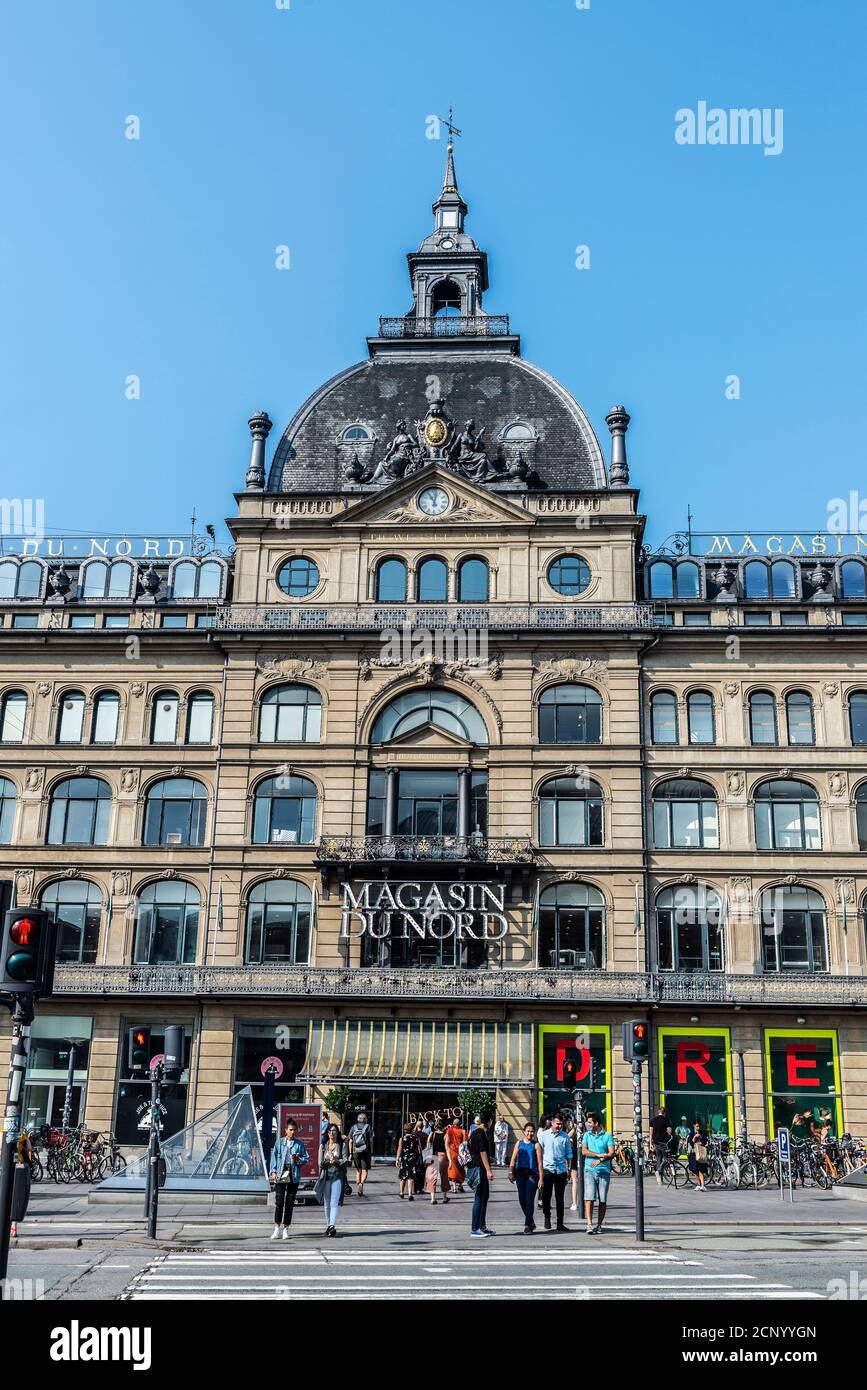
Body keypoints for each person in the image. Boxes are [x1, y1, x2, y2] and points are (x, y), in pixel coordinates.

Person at [269, 1117, 310, 1240]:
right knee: (279, 1201)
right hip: (282, 1171)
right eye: (290, 1130)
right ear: (285, 1130)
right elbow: (274, 1157)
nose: (293, 1132)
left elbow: (306, 1158)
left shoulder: (299, 1144)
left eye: (294, 1130)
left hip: (294, 1173)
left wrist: (298, 1159)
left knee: (290, 1202)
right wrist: (273, 1171)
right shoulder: (279, 1142)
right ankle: (277, 1228)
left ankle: (286, 1228)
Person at [537, 1113, 572, 1232]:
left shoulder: (565, 1136)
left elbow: (569, 1154)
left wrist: (568, 1169)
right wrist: (540, 1172)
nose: (559, 1126)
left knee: (560, 1198)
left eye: (561, 1124)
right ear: (552, 1122)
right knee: (546, 1196)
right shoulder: (544, 1135)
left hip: (561, 1170)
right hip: (548, 1170)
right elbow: (539, 1153)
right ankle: (547, 1218)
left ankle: (560, 1223)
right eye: (557, 1124)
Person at [582, 1110, 615, 1235]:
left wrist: (601, 1160)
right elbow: (584, 1151)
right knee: (589, 1198)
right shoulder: (587, 1135)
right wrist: (597, 1155)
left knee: (602, 1199)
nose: (588, 1124)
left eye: (590, 1122)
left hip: (604, 1171)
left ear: (596, 1123)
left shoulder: (607, 1136)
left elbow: (612, 1152)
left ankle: (599, 1224)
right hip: (589, 1170)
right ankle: (589, 1224)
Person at [509, 1122, 543, 1234]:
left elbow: (539, 1163)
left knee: (529, 1200)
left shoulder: (536, 1145)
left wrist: (541, 1178)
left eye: (532, 1131)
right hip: (520, 1174)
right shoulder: (519, 1143)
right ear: (524, 1132)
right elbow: (513, 1159)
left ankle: (528, 1225)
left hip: (532, 1174)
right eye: (528, 1131)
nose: (530, 1133)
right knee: (522, 1200)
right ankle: (531, 1222)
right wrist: (511, 1172)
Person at [317, 1123, 349, 1236]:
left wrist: (335, 1160)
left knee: (334, 1203)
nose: (332, 1133)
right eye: (330, 1131)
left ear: (337, 1132)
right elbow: (319, 1163)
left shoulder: (341, 1145)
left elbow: (345, 1160)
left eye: (334, 1131)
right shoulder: (323, 1146)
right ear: (327, 1133)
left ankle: (332, 1225)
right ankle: (328, 1226)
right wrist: (327, 1161)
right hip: (325, 1176)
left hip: (337, 1176)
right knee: (326, 1203)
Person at [467, 1114, 494, 1237]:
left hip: (477, 1167)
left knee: (484, 1196)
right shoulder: (480, 1133)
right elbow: (482, 1152)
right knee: (479, 1197)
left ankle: (482, 1227)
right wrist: (488, 1170)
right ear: (489, 1121)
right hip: (479, 1168)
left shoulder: (475, 1132)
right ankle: (475, 1228)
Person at [348, 1110, 373, 1197]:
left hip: (355, 1151)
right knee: (364, 1170)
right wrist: (371, 1150)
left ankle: (358, 1184)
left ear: (358, 1119)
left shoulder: (353, 1127)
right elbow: (370, 1140)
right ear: (365, 1119)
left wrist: (350, 1153)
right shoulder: (368, 1127)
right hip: (365, 1151)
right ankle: (361, 1184)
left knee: (358, 1170)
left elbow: (350, 1141)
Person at [424, 1122, 450, 1204]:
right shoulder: (446, 1135)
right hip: (442, 1156)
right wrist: (450, 1160)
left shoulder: (432, 1134)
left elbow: (428, 1145)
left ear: (436, 1127)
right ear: (443, 1127)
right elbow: (447, 1148)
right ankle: (444, 1198)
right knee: (444, 1176)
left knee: (432, 1177)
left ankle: (433, 1198)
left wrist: (426, 1159)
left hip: (433, 1156)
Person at [396, 1121, 420, 1201]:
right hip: (413, 1158)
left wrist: (397, 1159)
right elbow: (419, 1149)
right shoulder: (416, 1138)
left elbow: (399, 1149)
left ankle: (401, 1192)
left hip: (404, 1159)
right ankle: (410, 1194)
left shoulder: (402, 1139)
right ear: (412, 1130)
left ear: (404, 1130)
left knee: (403, 1176)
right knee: (411, 1176)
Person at [650, 1106, 673, 1184]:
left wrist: (650, 1143)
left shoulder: (653, 1120)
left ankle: (660, 1180)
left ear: (658, 1112)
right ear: (664, 1113)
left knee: (659, 1159)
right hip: (663, 1142)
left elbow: (651, 1132)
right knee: (666, 1159)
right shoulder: (666, 1120)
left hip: (655, 1142)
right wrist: (669, 1132)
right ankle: (658, 1171)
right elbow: (669, 1131)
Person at [446, 1115, 467, 1192]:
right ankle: (460, 1185)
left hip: (452, 1152)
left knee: (453, 1170)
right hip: (460, 1153)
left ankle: (454, 1187)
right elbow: (465, 1143)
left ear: (453, 1124)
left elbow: (447, 1142)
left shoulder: (449, 1130)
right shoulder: (463, 1131)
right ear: (460, 1124)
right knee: (461, 1169)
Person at [687, 1120, 709, 1192]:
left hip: (701, 1153)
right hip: (694, 1153)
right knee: (695, 1170)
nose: (698, 1128)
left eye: (699, 1126)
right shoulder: (691, 1133)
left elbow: (705, 1141)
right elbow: (690, 1143)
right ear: (694, 1126)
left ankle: (703, 1185)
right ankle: (698, 1184)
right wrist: (694, 1138)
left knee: (701, 1169)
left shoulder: (703, 1132)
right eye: (696, 1126)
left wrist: (701, 1140)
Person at [566, 1117, 580, 1211]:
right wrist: (574, 1129)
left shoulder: (586, 1133)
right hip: (575, 1157)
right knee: (574, 1180)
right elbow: (567, 1137)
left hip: (584, 1158)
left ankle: (582, 1201)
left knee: (582, 1181)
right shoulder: (574, 1134)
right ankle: (574, 1202)